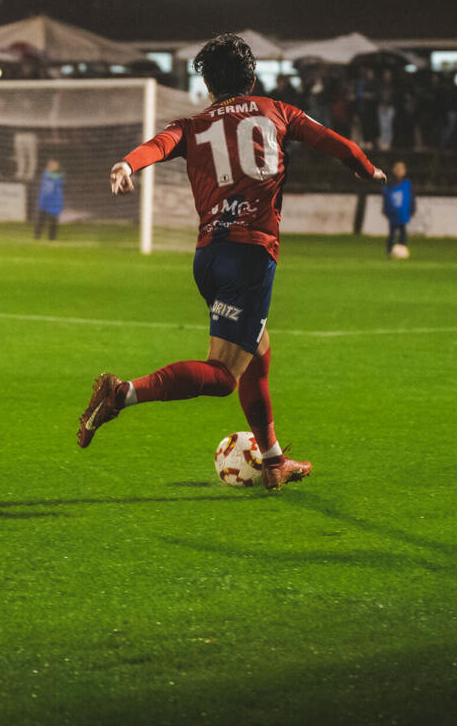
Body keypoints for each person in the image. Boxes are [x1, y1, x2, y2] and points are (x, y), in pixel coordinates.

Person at [78, 33, 385, 490]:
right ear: (251, 77)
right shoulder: (278, 111)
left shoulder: (192, 124)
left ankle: (274, 459)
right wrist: (365, 166)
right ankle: (122, 393)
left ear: (207, 85)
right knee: (224, 376)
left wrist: (127, 164)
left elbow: (158, 144)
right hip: (251, 255)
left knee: (258, 350)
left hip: (208, 257)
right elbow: (334, 141)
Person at [382, 160, 416, 254]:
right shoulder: (389, 184)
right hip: (393, 213)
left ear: (404, 171)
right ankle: (389, 251)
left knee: (402, 232)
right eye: (397, 169)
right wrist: (385, 210)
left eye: (401, 169)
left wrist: (412, 210)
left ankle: (402, 250)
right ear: (393, 170)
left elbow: (411, 198)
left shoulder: (407, 184)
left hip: (403, 213)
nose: (398, 171)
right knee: (392, 233)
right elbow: (386, 198)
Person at [33, 158, 64, 240]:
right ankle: (37, 236)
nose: (53, 166)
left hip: (54, 202)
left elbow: (59, 179)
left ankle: (51, 238)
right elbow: (48, 175)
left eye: (55, 165)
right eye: (51, 165)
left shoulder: (60, 175)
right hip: (44, 201)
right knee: (41, 220)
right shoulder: (45, 174)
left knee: (53, 221)